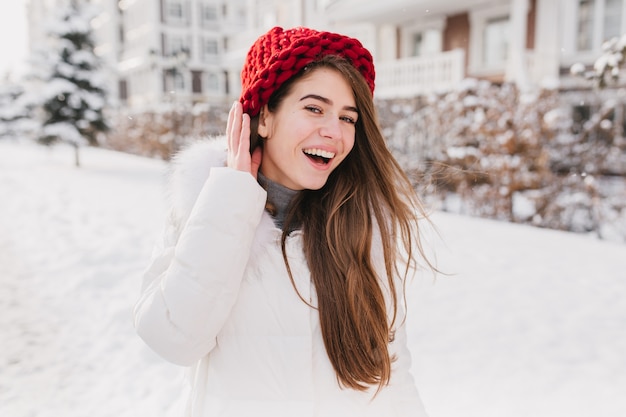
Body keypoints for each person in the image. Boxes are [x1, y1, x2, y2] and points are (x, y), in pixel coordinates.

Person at [133, 26, 433, 417]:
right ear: (263, 118)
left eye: (348, 117)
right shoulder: (204, 213)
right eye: (314, 108)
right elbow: (173, 339)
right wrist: (231, 201)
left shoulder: (362, 228)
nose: (333, 131)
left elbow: (391, 373)